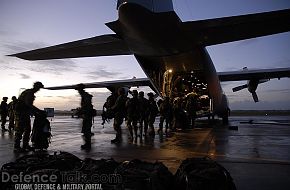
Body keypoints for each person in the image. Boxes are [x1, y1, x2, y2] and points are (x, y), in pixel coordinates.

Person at [14, 81, 44, 151]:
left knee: (27, 129)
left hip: (24, 112)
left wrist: (36, 112)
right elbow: (28, 104)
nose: (38, 90)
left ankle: (25, 145)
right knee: (20, 130)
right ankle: (17, 147)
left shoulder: (28, 92)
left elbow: (28, 105)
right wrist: (38, 111)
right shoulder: (30, 93)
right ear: (36, 87)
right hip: (21, 113)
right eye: (38, 88)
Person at [75, 84, 94, 150]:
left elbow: (87, 107)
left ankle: (88, 145)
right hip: (87, 115)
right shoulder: (85, 95)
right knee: (86, 130)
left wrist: (80, 111)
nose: (78, 91)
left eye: (78, 90)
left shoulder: (85, 96)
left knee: (86, 131)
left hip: (87, 115)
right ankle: (87, 144)